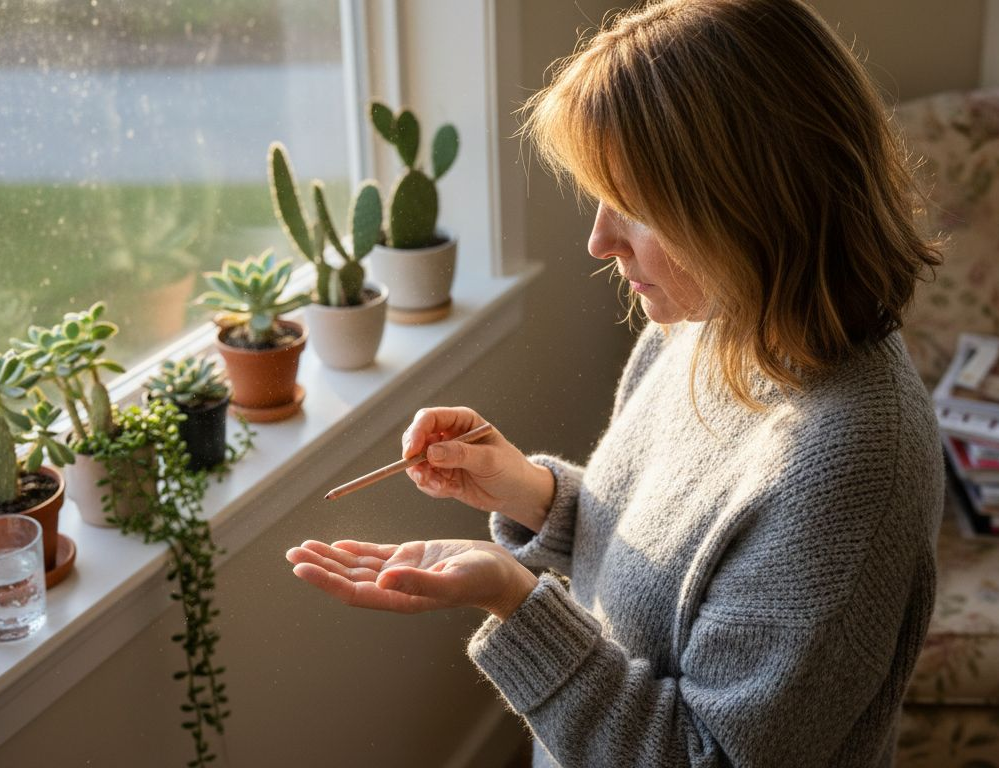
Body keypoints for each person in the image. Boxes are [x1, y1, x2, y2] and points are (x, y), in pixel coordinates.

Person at [286, 0, 944, 765]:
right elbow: (668, 568)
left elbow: (706, 756)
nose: (600, 240)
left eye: (632, 206)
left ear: (747, 203)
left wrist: (514, 598)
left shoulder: (853, 463)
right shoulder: (708, 324)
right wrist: (533, 494)